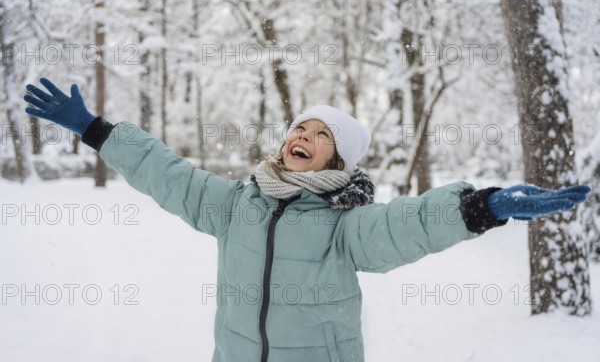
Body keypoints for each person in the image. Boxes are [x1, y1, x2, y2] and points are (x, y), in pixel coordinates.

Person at [23, 78, 590, 362]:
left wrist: (481, 205)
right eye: (300, 127)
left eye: (322, 136)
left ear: (338, 160)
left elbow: (405, 225)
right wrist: (98, 131)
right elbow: (171, 176)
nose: (304, 137)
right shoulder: (238, 204)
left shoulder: (346, 225)